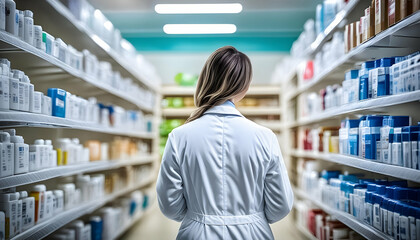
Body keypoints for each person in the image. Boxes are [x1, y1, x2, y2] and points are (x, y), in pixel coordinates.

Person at [156, 46, 293, 240]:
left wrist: (197, 217)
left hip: (196, 233)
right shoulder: (265, 136)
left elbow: (170, 206)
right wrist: (252, 217)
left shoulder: (179, 136)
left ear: (205, 80)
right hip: (253, 233)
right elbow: (280, 206)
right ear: (244, 87)